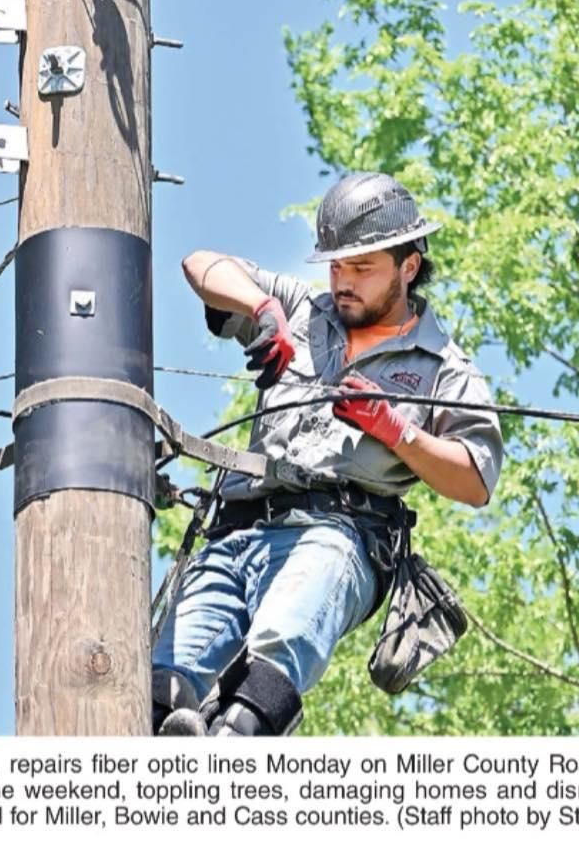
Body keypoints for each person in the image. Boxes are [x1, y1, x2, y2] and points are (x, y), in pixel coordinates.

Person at [152, 172, 504, 736]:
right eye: (336, 265)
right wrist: (262, 309)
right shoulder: (301, 311)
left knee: (266, 673)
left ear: (408, 266)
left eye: (362, 267)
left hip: (336, 534)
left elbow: (475, 481)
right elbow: (200, 264)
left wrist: (397, 431)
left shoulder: (443, 367)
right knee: (156, 689)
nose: (343, 281)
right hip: (235, 533)